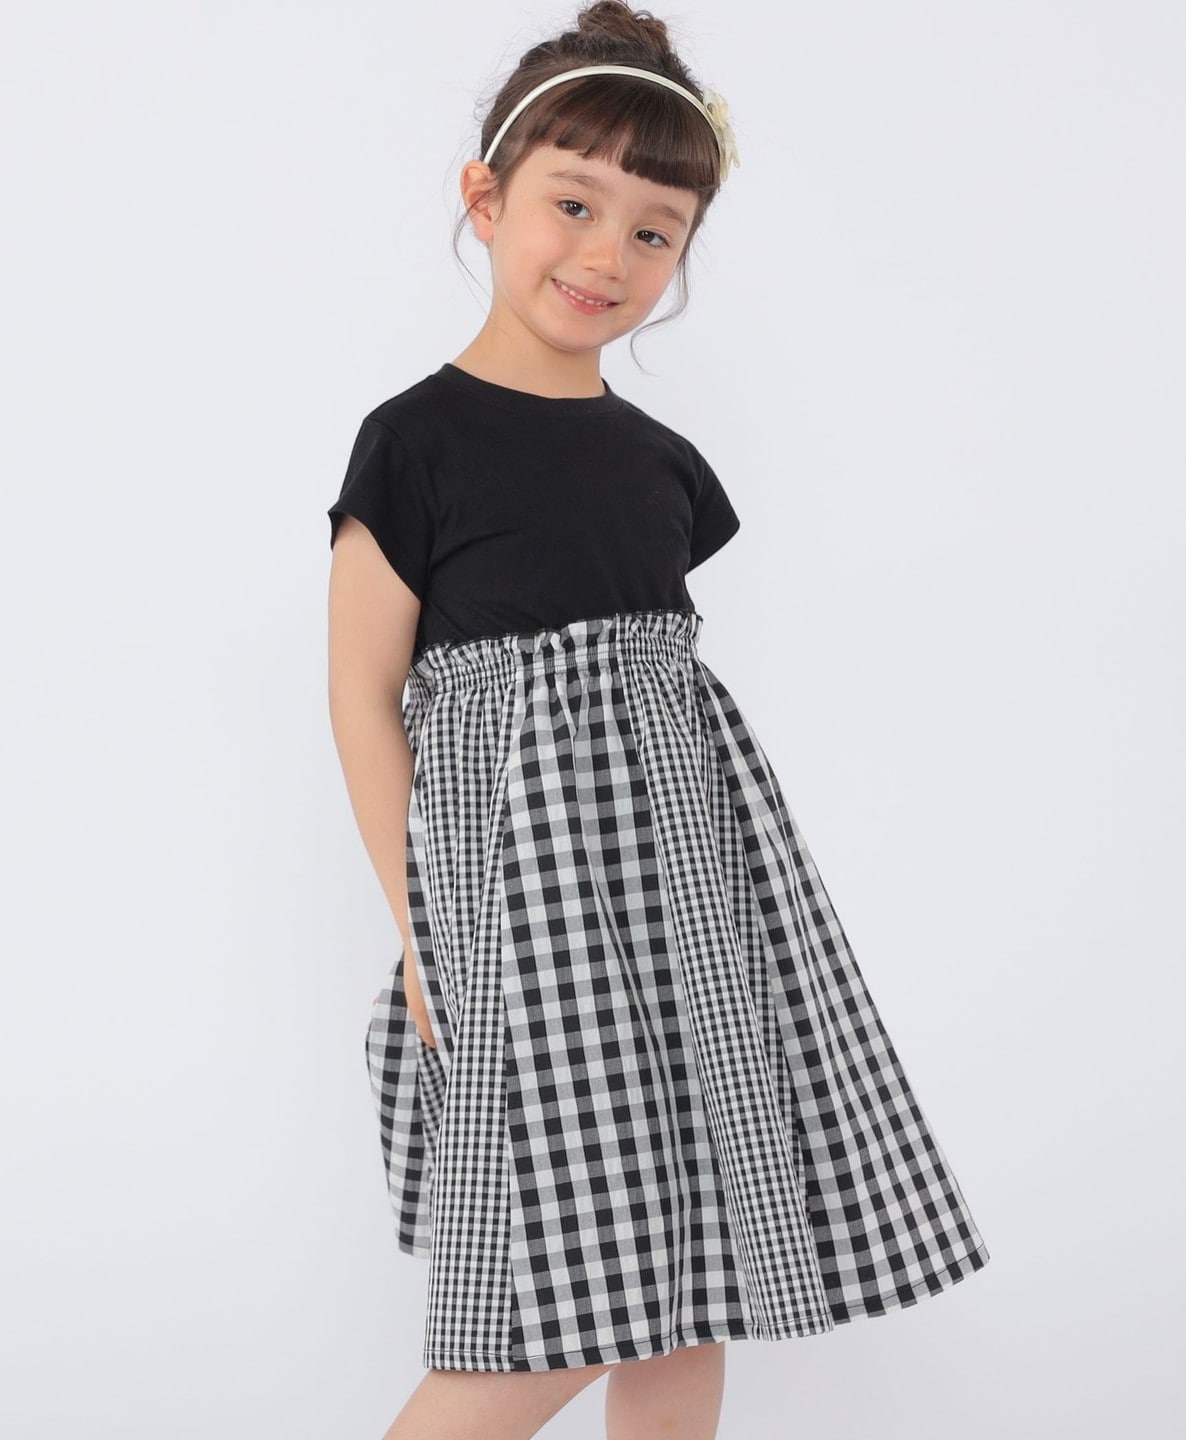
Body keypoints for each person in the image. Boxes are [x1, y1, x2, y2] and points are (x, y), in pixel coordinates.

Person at [326, 4, 990, 1437]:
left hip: (698, 893)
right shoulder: (415, 442)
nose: (606, 257)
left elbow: (664, 708)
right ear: (486, 198)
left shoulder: (663, 464)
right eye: (574, 206)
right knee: (546, 1282)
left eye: (653, 232)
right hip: (525, 909)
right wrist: (423, 931)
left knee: (695, 1263)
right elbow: (363, 697)